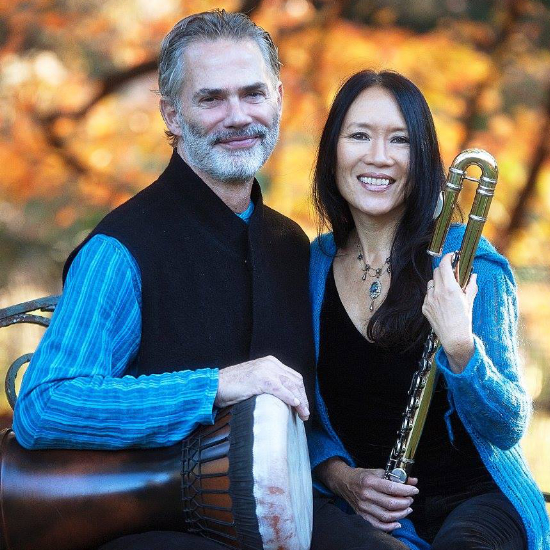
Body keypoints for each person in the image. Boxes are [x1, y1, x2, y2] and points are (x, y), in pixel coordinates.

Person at [12, 10, 316, 550]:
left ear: (278, 100)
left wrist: (343, 476)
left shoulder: (290, 245)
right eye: (211, 99)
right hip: (154, 526)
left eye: (253, 94)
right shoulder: (121, 248)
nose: (238, 116)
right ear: (171, 115)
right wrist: (215, 385)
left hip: (285, 524)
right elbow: (45, 405)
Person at [307, 69, 550, 550]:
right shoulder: (311, 266)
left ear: (421, 159)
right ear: (333, 152)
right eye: (359, 136)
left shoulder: (470, 261)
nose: (378, 157)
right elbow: (303, 418)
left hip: (476, 506)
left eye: (399, 140)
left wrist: (462, 347)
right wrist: (341, 478)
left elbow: (507, 426)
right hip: (370, 518)